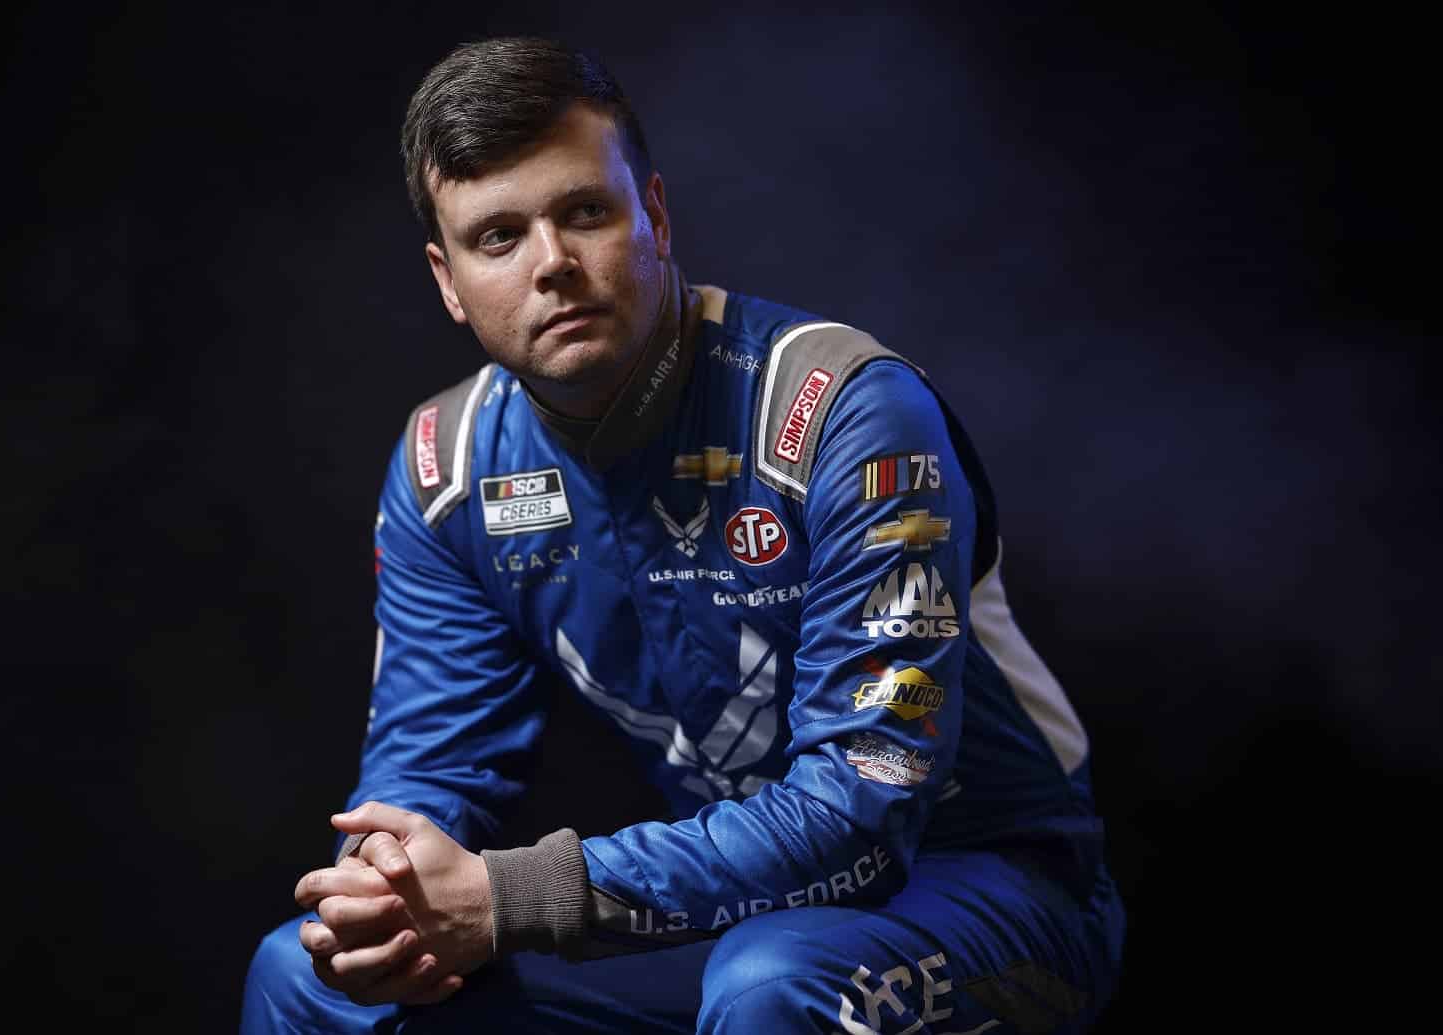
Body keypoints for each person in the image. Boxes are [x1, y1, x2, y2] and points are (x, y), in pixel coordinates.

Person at [241, 35, 1125, 1034]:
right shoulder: (451, 472)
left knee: (770, 983)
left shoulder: (842, 411)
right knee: (306, 980)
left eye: (584, 212)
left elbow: (863, 822)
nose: (553, 266)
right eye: (499, 238)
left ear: (653, 216)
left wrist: (511, 898)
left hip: (994, 897)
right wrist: (384, 894)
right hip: (733, 911)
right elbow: (428, 772)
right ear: (449, 283)